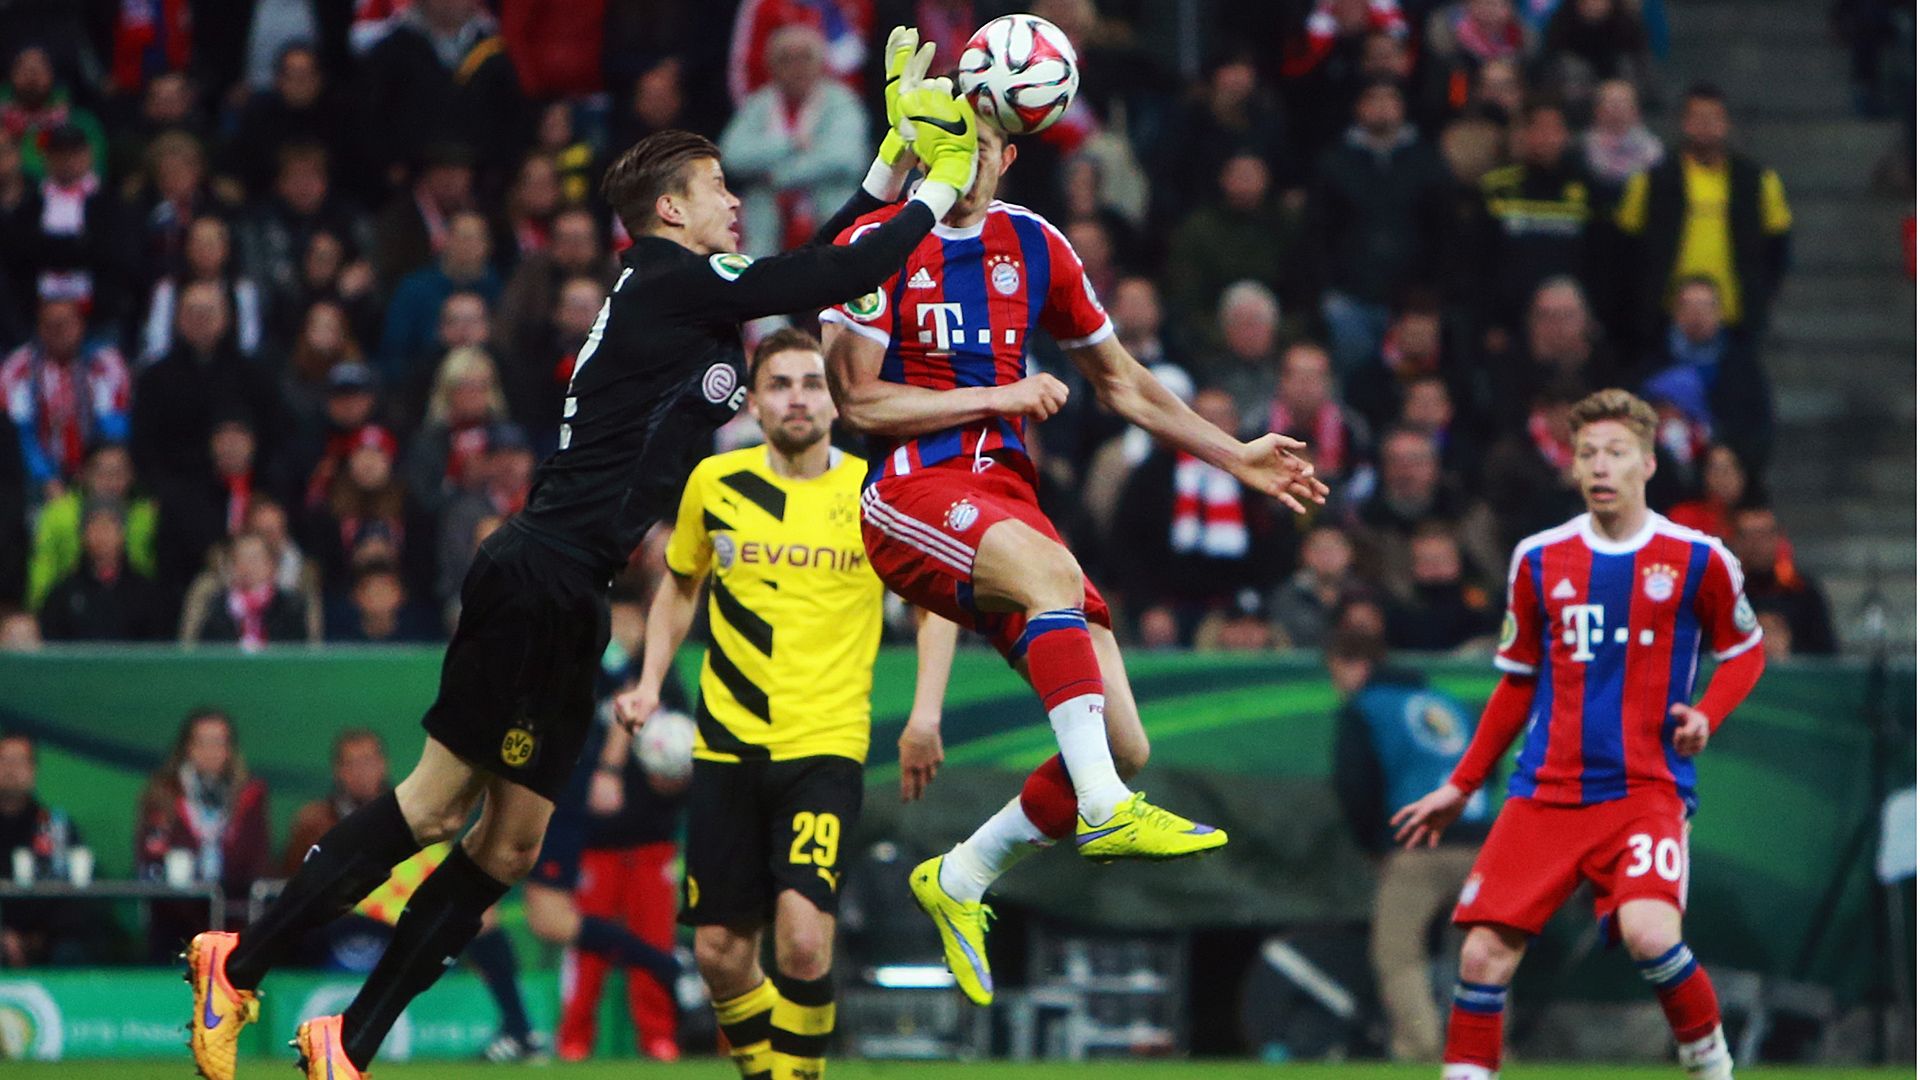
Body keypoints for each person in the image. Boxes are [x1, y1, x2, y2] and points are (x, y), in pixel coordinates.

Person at [184, 29, 982, 1080]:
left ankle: (347, 1040)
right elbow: (837, 267)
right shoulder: (665, 280)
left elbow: (807, 273)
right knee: (436, 805)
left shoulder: (687, 287)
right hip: (539, 569)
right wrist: (940, 188)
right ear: (670, 212)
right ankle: (239, 961)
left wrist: (889, 162)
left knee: (509, 845)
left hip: (575, 591)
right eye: (717, 188)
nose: (734, 201)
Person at [820, 113, 1326, 1008]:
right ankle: (1102, 811)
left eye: (981, 146)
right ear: (924, 152)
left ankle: (964, 873)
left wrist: (1235, 455)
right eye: (948, 143)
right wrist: (1002, 393)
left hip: (1006, 501)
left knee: (1124, 744)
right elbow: (856, 401)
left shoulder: (1036, 244)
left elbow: (1120, 379)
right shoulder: (876, 242)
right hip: (911, 493)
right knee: (1057, 593)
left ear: (1009, 157)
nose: (964, 160)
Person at [1391, 389, 1766, 1080]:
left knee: (1650, 935)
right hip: (1547, 793)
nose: (1599, 465)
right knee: (1481, 957)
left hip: (1645, 788)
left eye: (1615, 452)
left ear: (1647, 464)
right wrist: (1461, 785)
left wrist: (1707, 713)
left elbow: (1745, 651)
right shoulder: (1539, 559)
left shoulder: (1699, 558)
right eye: (1587, 453)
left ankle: (1709, 1060)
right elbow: (1516, 684)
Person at [618, 328, 958, 1079]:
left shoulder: (875, 495)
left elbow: (935, 605)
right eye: (780, 384)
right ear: (753, 402)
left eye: (811, 383)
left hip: (824, 748)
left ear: (836, 403)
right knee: (719, 954)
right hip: (725, 746)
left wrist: (925, 714)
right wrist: (648, 681)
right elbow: (678, 584)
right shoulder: (715, 482)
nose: (797, 397)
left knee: (803, 941)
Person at [1328, 626, 1490, 1063]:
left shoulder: (1366, 708)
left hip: (1416, 847)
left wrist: (1374, 844)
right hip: (1479, 845)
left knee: (1398, 952)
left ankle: (1421, 1049)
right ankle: (1486, 1049)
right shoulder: (1449, 703)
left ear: (1352, 665)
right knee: (1483, 952)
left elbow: (1355, 785)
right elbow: (1488, 767)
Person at [1614, 84, 1793, 343]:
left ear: (1726, 124)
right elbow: (1626, 249)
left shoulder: (1758, 181)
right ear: (1683, 123)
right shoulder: (1650, 181)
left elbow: (1777, 247)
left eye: (1713, 118)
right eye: (1697, 118)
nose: (1705, 126)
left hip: (1736, 320)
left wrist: (1760, 296)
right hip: (1664, 320)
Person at [137, 709, 274, 958]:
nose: (210, 751)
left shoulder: (250, 795)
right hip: (177, 920)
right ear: (187, 748)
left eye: (218, 742)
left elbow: (258, 861)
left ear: (230, 749)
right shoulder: (162, 794)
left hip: (235, 919)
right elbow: (149, 860)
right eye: (202, 742)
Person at [0, 732, 96, 966]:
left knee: (71, 948)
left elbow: (72, 895)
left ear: (33, 770)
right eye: (4, 760)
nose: (11, 770)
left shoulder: (56, 827)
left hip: (46, 937)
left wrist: (34, 940)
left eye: (20, 761)